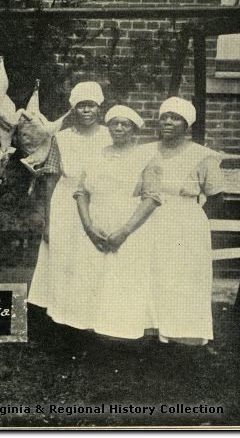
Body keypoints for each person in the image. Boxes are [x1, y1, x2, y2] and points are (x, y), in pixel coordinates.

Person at [27, 81, 112, 330]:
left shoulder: (109, 136)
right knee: (65, 260)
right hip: (66, 204)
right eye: (81, 106)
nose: (87, 111)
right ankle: (61, 317)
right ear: (73, 109)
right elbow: (51, 178)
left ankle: (92, 317)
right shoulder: (61, 139)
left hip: (99, 203)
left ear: (99, 108)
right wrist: (48, 220)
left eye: (91, 106)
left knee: (93, 260)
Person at [72, 105, 162, 339]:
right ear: (108, 126)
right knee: (93, 280)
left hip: (129, 229)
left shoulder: (147, 157)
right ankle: (92, 335)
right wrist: (89, 227)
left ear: (134, 129)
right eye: (115, 123)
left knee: (123, 283)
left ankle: (122, 337)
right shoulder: (95, 154)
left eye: (125, 124)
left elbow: (152, 198)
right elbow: (81, 192)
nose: (119, 128)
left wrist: (124, 231)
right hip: (96, 226)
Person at [145, 97, 225, 346]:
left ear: (187, 124)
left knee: (182, 279)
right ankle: (151, 333)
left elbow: (216, 197)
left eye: (176, 118)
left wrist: (190, 220)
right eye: (165, 116)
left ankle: (183, 338)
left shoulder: (202, 156)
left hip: (185, 225)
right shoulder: (145, 151)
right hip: (148, 220)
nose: (168, 122)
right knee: (150, 276)